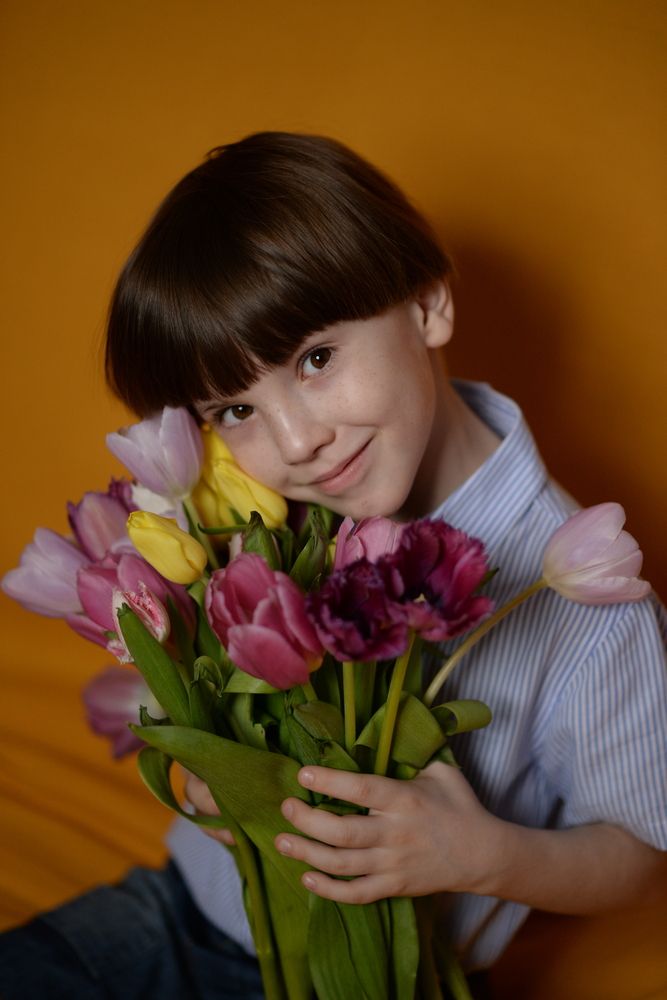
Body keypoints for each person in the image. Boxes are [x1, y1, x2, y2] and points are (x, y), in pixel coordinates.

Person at [1, 131, 666, 999]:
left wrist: (481, 854)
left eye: (315, 359)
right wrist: (208, 770)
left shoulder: (590, 600)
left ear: (426, 305)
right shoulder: (250, 511)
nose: (296, 442)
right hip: (179, 912)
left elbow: (645, 862)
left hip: (390, 980)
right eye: (235, 408)